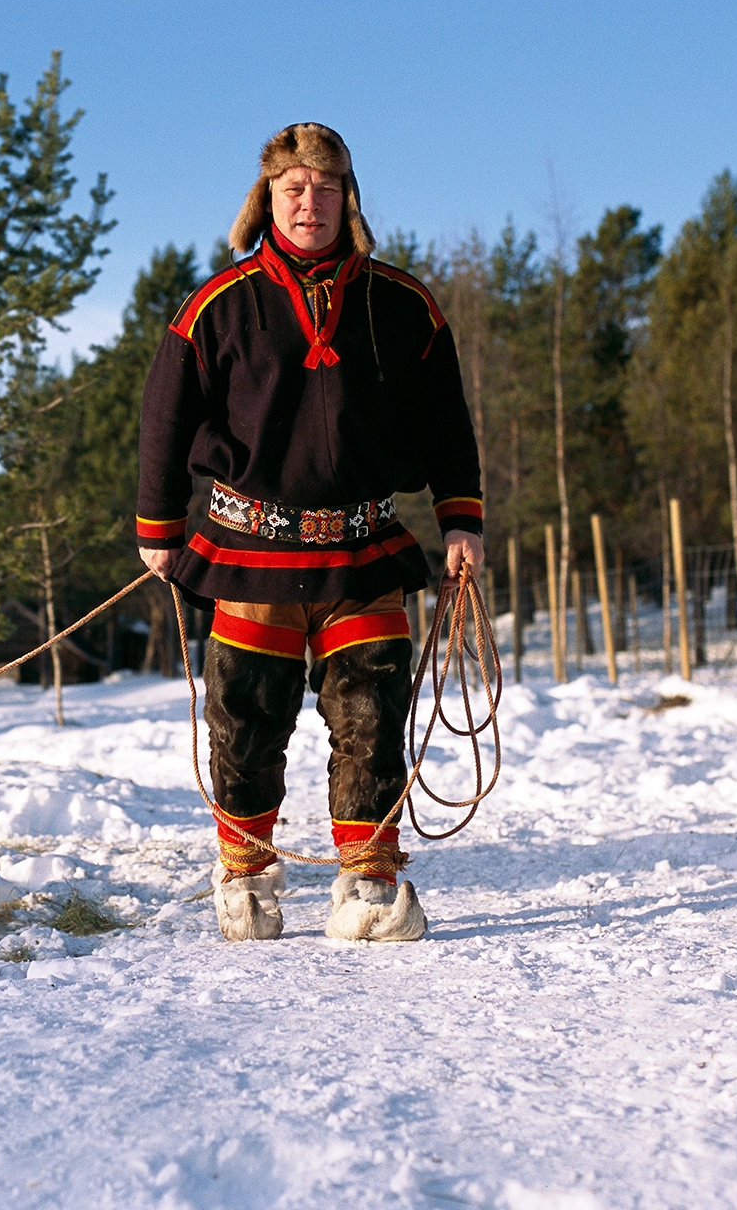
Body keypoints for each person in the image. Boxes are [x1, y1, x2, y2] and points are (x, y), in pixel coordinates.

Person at [137, 123, 484, 942]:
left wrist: (460, 519)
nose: (309, 203)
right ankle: (247, 877)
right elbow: (165, 414)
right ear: (267, 200)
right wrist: (159, 523)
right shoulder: (217, 305)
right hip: (250, 551)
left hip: (363, 546)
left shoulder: (403, 304)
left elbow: (447, 421)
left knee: (371, 710)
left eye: (326, 190)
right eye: (293, 189)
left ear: (348, 201)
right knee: (246, 717)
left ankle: (367, 880)